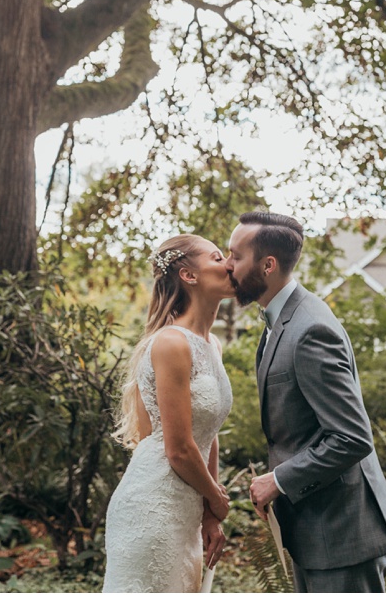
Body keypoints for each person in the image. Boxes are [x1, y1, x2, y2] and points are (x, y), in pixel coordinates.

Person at [226, 211, 386, 592]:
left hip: (341, 537)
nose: (227, 265)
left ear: (268, 265)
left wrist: (279, 480)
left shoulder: (310, 329)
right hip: (314, 531)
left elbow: (352, 438)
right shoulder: (279, 320)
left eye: (236, 256)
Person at [103, 235, 234, 592]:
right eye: (218, 257)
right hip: (152, 506)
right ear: (189, 275)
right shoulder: (171, 342)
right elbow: (178, 448)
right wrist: (216, 497)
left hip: (186, 510)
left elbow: (208, 434)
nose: (229, 265)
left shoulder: (212, 344)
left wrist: (209, 515)